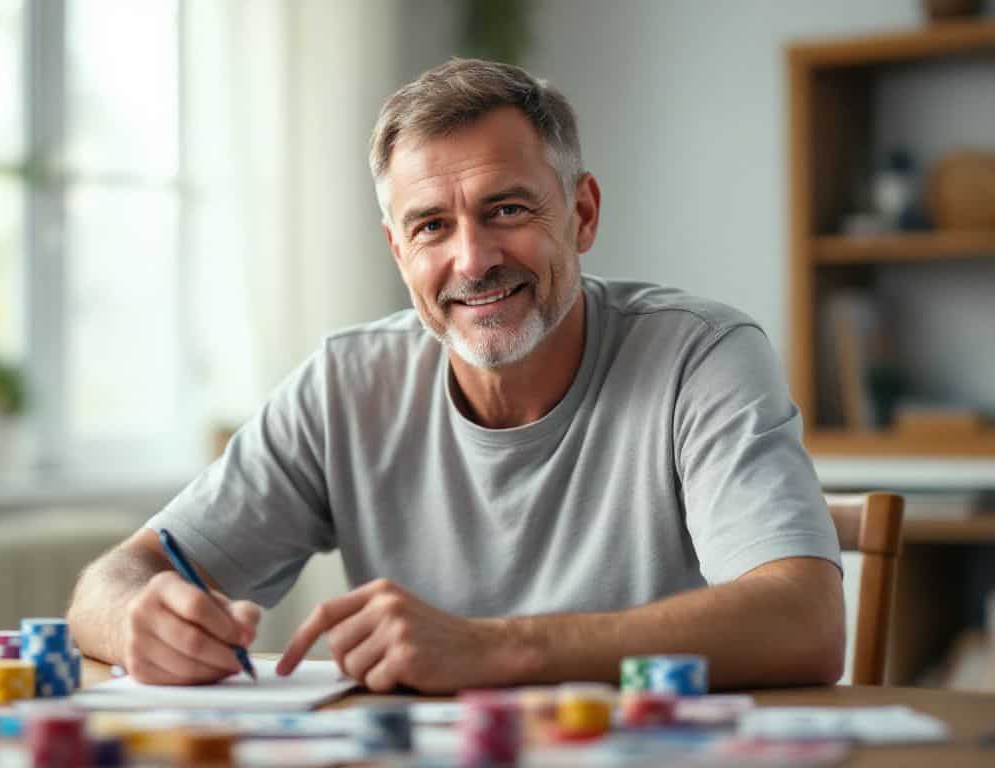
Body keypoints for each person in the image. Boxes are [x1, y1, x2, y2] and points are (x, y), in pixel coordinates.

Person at [67, 58, 845, 693]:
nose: (471, 260)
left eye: (507, 209)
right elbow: (111, 581)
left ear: (582, 214)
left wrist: (495, 649)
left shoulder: (700, 356)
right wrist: (141, 615)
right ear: (398, 250)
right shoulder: (345, 384)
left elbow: (806, 624)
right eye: (431, 226)